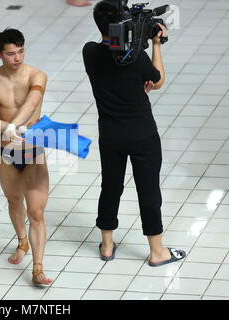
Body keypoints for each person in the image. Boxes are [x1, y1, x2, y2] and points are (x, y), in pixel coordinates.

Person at [82, 1, 186, 266]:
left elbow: (111, 59)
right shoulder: (137, 58)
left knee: (111, 187)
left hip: (110, 135)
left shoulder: (90, 52)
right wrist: (156, 44)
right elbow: (158, 80)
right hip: (142, 135)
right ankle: (157, 251)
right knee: (148, 190)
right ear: (123, 24)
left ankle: (106, 246)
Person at [0, 28, 53, 285]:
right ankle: (22, 241)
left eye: (21, 52)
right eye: (11, 53)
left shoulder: (37, 75)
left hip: (34, 153)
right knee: (13, 202)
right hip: (7, 153)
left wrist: (14, 126)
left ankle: (38, 268)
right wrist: (8, 129)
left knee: (36, 212)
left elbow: (32, 103)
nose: (17, 58)